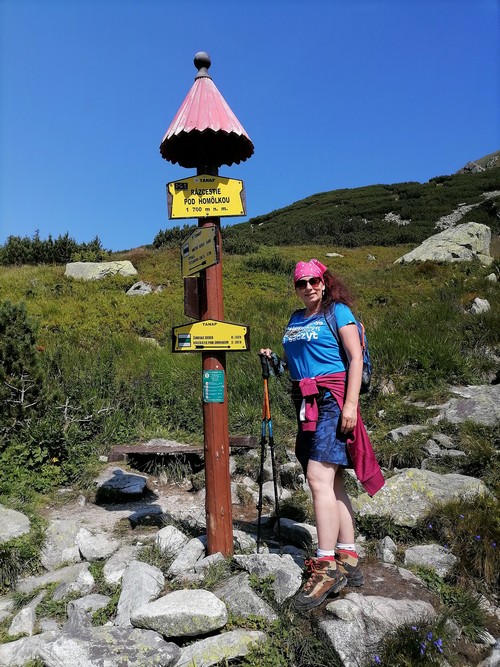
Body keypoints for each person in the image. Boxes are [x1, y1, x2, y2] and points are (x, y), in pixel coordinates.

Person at [260, 258, 384, 612]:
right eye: (301, 283)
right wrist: (276, 361)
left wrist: (350, 405)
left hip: (333, 399)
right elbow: (296, 364)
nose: (308, 287)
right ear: (296, 287)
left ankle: (326, 566)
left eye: (314, 281)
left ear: (324, 282)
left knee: (317, 477)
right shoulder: (295, 319)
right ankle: (348, 555)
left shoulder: (337, 311)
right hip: (306, 402)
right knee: (333, 480)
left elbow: (355, 358)